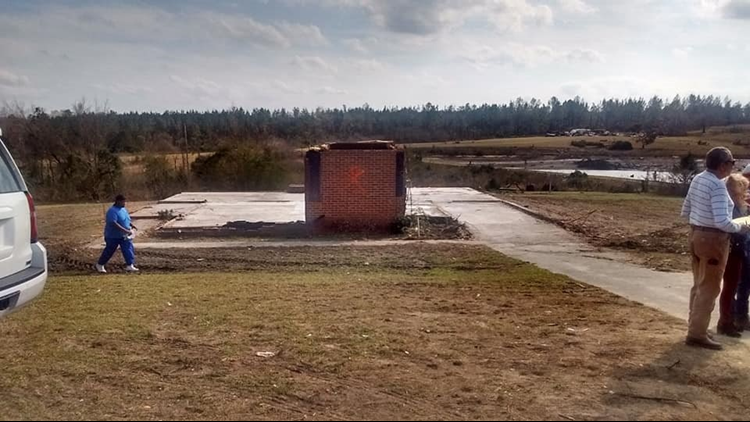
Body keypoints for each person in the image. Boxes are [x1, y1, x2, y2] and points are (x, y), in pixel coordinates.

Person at [681, 147, 745, 350]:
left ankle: (696, 326)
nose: (732, 167)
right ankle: (697, 333)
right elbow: (722, 223)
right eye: (731, 163)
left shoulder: (698, 179)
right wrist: (742, 225)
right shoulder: (717, 186)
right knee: (709, 288)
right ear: (722, 165)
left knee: (698, 284)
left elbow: (686, 209)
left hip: (696, 234)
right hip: (713, 239)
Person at [717, 174, 748, 337]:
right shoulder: (731, 207)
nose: (742, 195)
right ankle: (725, 321)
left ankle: (730, 319)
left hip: (738, 248)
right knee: (730, 286)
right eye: (740, 192)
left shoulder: (737, 205)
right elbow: (733, 226)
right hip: (733, 248)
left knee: (734, 285)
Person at [96, 194, 139, 273]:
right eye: (123, 202)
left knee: (128, 249)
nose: (124, 203)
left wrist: (131, 225)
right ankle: (100, 264)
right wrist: (124, 230)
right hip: (113, 236)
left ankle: (130, 265)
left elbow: (127, 220)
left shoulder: (123, 210)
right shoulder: (112, 211)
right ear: (118, 201)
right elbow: (113, 223)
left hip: (124, 235)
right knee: (109, 250)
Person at [736, 165, 750, 330]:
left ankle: (738, 314)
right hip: (745, 234)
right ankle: (739, 315)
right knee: (745, 277)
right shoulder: (744, 185)